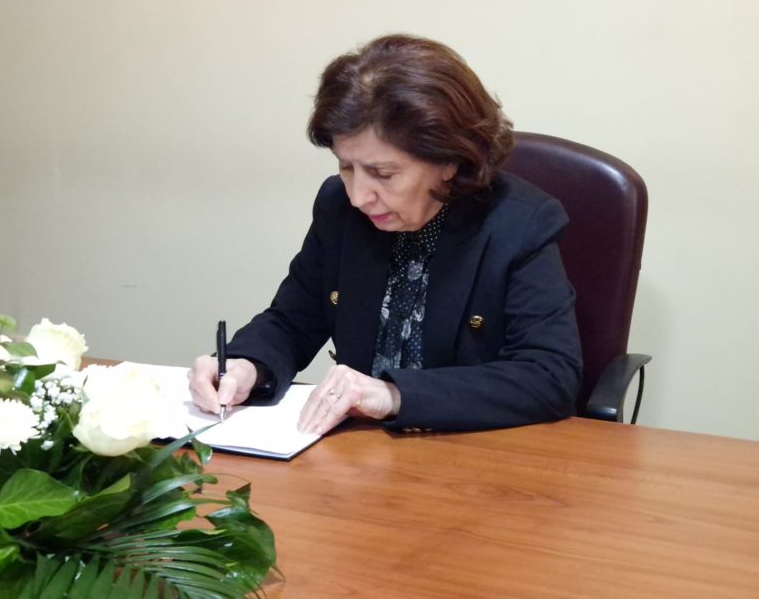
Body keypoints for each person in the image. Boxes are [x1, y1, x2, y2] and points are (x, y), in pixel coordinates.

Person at [188, 34, 582, 436]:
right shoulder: (339, 207)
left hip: (471, 455)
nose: (359, 196)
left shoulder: (518, 223)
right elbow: (293, 319)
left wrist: (393, 395)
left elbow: (549, 376)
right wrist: (246, 365)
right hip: (359, 457)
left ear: (449, 161)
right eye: (346, 167)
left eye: (383, 174)